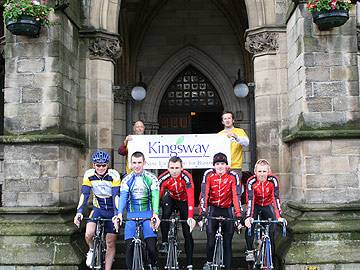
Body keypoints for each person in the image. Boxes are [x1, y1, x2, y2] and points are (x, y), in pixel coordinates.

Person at [73, 150, 120, 270]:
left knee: (110, 242)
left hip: (111, 210)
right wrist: (79, 212)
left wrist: (116, 214)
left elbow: (116, 196)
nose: (100, 168)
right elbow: (84, 194)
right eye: (98, 165)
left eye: (103, 165)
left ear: (107, 165)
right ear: (93, 165)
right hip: (98, 208)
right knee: (89, 234)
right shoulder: (89, 174)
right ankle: (92, 249)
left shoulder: (114, 175)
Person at [114, 151, 160, 270]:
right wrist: (119, 214)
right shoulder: (126, 180)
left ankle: (153, 264)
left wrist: (155, 213)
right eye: (134, 163)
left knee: (151, 247)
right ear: (130, 164)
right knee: (129, 248)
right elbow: (123, 197)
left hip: (148, 215)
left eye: (139, 162)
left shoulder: (152, 178)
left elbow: (155, 197)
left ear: (144, 163)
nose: (137, 165)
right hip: (131, 216)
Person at [199, 152, 243, 270]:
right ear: (214, 165)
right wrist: (203, 212)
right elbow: (204, 194)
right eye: (217, 164)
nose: (220, 166)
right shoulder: (208, 174)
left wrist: (238, 215)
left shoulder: (233, 176)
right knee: (210, 242)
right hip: (213, 209)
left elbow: (236, 195)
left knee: (227, 244)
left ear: (226, 165)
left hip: (227, 210)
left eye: (222, 163)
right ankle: (209, 262)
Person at [244, 159, 286, 262]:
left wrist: (279, 216)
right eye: (259, 171)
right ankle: (250, 251)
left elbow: (275, 199)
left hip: (267, 205)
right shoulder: (251, 181)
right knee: (250, 226)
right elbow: (250, 200)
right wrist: (248, 217)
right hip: (255, 205)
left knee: (271, 230)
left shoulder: (273, 180)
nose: (262, 174)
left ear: (268, 172)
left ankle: (270, 257)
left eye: (264, 171)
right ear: (255, 172)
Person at [158, 156, 196, 270]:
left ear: (182, 168)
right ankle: (165, 241)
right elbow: (157, 196)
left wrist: (190, 216)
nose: (174, 171)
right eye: (172, 168)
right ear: (168, 168)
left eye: (177, 168)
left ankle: (189, 261)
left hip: (184, 201)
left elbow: (191, 197)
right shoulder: (163, 177)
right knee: (165, 214)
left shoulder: (187, 177)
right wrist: (154, 212)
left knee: (187, 232)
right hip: (171, 198)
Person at [218, 111, 249, 178]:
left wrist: (236, 137)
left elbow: (246, 143)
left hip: (236, 167)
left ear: (233, 120)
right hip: (222, 167)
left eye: (229, 118)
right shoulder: (219, 134)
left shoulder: (240, 131)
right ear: (222, 122)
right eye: (225, 119)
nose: (227, 120)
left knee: (236, 188)